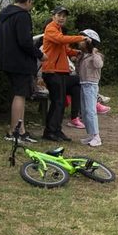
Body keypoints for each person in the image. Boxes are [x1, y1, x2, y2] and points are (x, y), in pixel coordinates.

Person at [0, 0, 41, 142]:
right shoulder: (22, 16)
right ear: (27, 2)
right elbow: (25, 42)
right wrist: (39, 54)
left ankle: (21, 130)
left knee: (18, 93)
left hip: (6, 60)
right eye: (31, 3)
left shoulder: (3, 15)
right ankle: (14, 131)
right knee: (20, 95)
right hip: (20, 62)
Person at [39, 7, 85, 142]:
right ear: (53, 16)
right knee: (57, 102)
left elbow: (65, 49)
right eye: (59, 15)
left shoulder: (58, 30)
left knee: (61, 101)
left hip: (60, 71)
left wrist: (77, 52)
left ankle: (57, 130)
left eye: (64, 16)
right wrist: (81, 38)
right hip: (52, 71)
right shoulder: (51, 28)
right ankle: (50, 131)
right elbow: (61, 40)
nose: (61, 18)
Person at [75, 30, 105, 148]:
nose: (79, 42)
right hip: (83, 83)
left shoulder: (96, 55)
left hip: (91, 85)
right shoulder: (83, 56)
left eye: (83, 40)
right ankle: (90, 134)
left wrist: (94, 53)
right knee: (85, 111)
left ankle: (96, 136)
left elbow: (98, 65)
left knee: (91, 111)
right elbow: (78, 70)